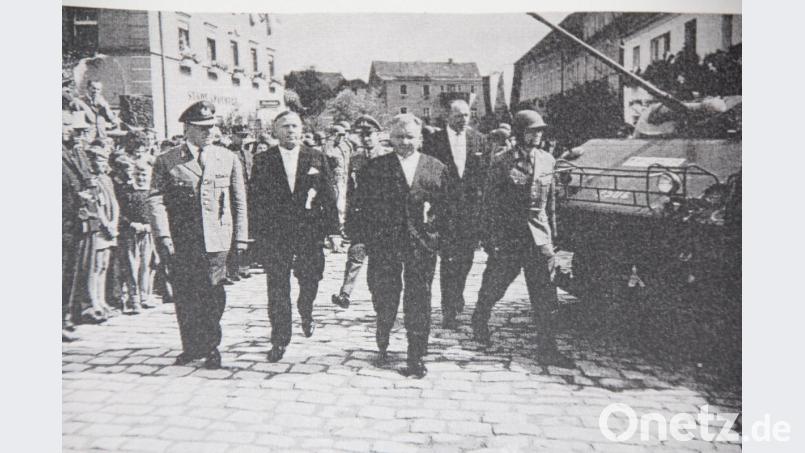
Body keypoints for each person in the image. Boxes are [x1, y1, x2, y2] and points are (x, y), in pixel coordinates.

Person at [147, 101, 248, 369]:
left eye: (211, 127)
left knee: (213, 294)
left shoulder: (227, 158)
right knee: (186, 294)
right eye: (202, 128)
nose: (209, 132)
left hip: (218, 239)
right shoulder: (167, 160)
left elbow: (239, 201)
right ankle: (191, 347)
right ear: (187, 129)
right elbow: (155, 200)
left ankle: (212, 346)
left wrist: (240, 237)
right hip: (183, 241)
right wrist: (163, 236)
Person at [354, 113, 452, 378]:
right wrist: (360, 239)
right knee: (385, 294)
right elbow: (359, 207)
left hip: (421, 245)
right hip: (385, 244)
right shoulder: (375, 168)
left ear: (420, 139)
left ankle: (416, 354)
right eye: (399, 136)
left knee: (419, 298)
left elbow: (447, 208)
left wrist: (441, 239)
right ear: (390, 138)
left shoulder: (436, 167)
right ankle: (383, 330)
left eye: (410, 137)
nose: (405, 142)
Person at [471, 110, 570, 366]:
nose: (537, 135)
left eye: (540, 131)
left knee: (545, 295)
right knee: (495, 285)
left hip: (539, 238)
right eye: (531, 131)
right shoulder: (503, 161)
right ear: (519, 132)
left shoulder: (548, 160)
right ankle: (480, 318)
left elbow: (550, 203)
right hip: (510, 237)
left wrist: (553, 236)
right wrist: (489, 237)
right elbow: (489, 202)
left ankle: (548, 348)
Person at [248, 111, 339, 363]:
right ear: (275, 131)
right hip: (276, 234)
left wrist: (333, 230)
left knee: (311, 277)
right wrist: (256, 235)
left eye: (295, 126)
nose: (290, 131)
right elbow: (255, 199)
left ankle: (305, 308)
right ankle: (280, 339)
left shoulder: (316, 157)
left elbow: (328, 195)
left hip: (309, 232)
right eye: (285, 126)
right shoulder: (263, 160)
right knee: (277, 286)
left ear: (301, 130)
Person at [422, 99, 490, 329]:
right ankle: (449, 310)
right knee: (449, 259)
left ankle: (457, 293)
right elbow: (427, 175)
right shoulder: (434, 141)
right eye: (459, 115)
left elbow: (485, 177)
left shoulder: (479, 140)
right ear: (448, 116)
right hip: (445, 210)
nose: (463, 119)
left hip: (471, 212)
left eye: (467, 115)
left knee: (467, 258)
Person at [331, 114, 391, 309]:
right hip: (361, 217)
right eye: (362, 134)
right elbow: (350, 189)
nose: (365, 138)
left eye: (369, 134)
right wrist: (347, 217)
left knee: (378, 264)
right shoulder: (355, 159)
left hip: (383, 219)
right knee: (355, 254)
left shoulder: (388, 157)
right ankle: (345, 294)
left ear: (378, 135)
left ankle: (379, 298)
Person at [69, 141, 120, 324]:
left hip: (110, 227)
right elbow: (96, 206)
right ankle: (93, 302)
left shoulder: (106, 179)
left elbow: (114, 202)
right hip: (99, 228)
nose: (103, 163)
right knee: (95, 266)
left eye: (104, 159)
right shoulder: (91, 181)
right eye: (99, 159)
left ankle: (102, 300)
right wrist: (106, 224)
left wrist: (114, 222)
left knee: (104, 265)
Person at [62, 113, 94, 341]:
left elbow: (86, 177)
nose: (72, 131)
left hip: (74, 221)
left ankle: (66, 317)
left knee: (70, 271)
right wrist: (76, 196)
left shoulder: (75, 152)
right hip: (63, 219)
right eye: (66, 126)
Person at [117, 132, 156, 313]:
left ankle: (145, 296)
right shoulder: (126, 188)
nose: (141, 177)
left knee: (146, 264)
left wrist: (150, 224)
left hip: (147, 229)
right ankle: (133, 299)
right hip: (130, 229)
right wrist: (130, 223)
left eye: (144, 174)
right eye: (138, 173)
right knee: (132, 265)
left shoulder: (151, 190)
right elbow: (119, 209)